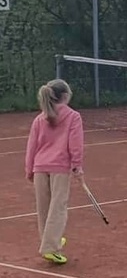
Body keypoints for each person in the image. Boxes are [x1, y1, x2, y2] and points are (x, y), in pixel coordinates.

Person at [24, 79, 84, 265]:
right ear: (65, 96)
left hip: (40, 167)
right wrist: (77, 166)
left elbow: (31, 146)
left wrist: (29, 169)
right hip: (59, 168)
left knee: (44, 208)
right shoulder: (73, 116)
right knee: (58, 208)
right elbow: (75, 143)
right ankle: (50, 247)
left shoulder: (39, 118)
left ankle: (51, 241)